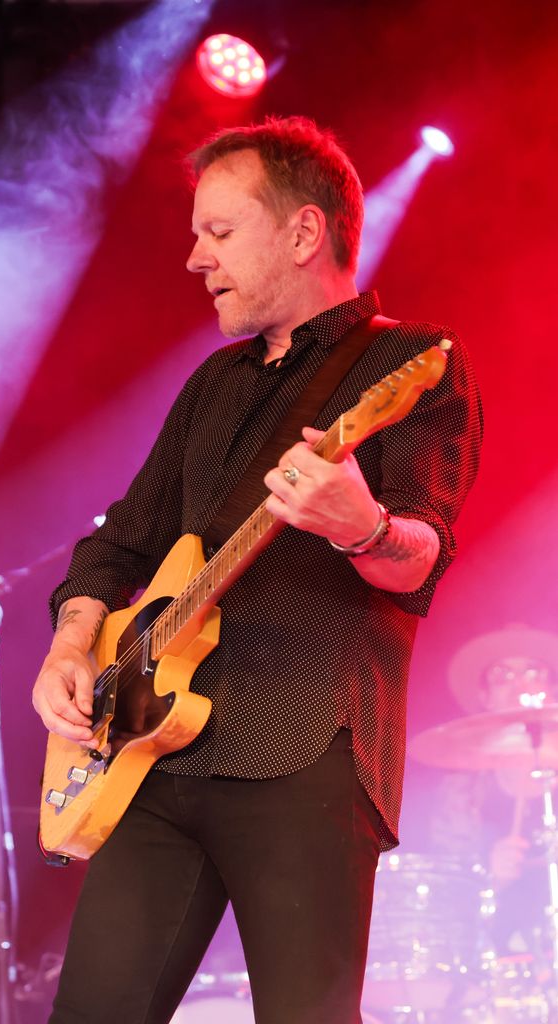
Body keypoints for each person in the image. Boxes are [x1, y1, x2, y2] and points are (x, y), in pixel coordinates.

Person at [31, 115, 483, 1024]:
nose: (197, 258)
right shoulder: (214, 381)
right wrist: (73, 642)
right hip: (155, 752)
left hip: (305, 748)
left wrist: (363, 530)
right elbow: (120, 543)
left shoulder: (408, 363)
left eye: (220, 231)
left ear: (304, 231)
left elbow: (420, 555)